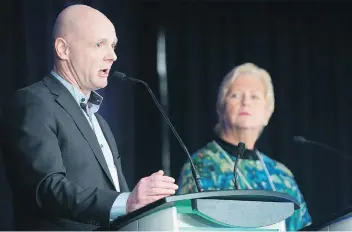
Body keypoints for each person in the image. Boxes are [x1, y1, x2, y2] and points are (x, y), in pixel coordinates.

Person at [0, 4, 178, 231]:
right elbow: (47, 188)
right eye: (99, 44)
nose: (112, 56)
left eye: (113, 46)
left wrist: (142, 206)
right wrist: (127, 201)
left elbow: (118, 199)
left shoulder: (99, 122)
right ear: (63, 49)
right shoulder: (33, 103)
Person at [176, 63, 312, 231]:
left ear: (267, 113)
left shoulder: (281, 174)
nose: (246, 102)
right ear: (221, 108)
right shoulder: (200, 165)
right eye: (236, 95)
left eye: (254, 96)